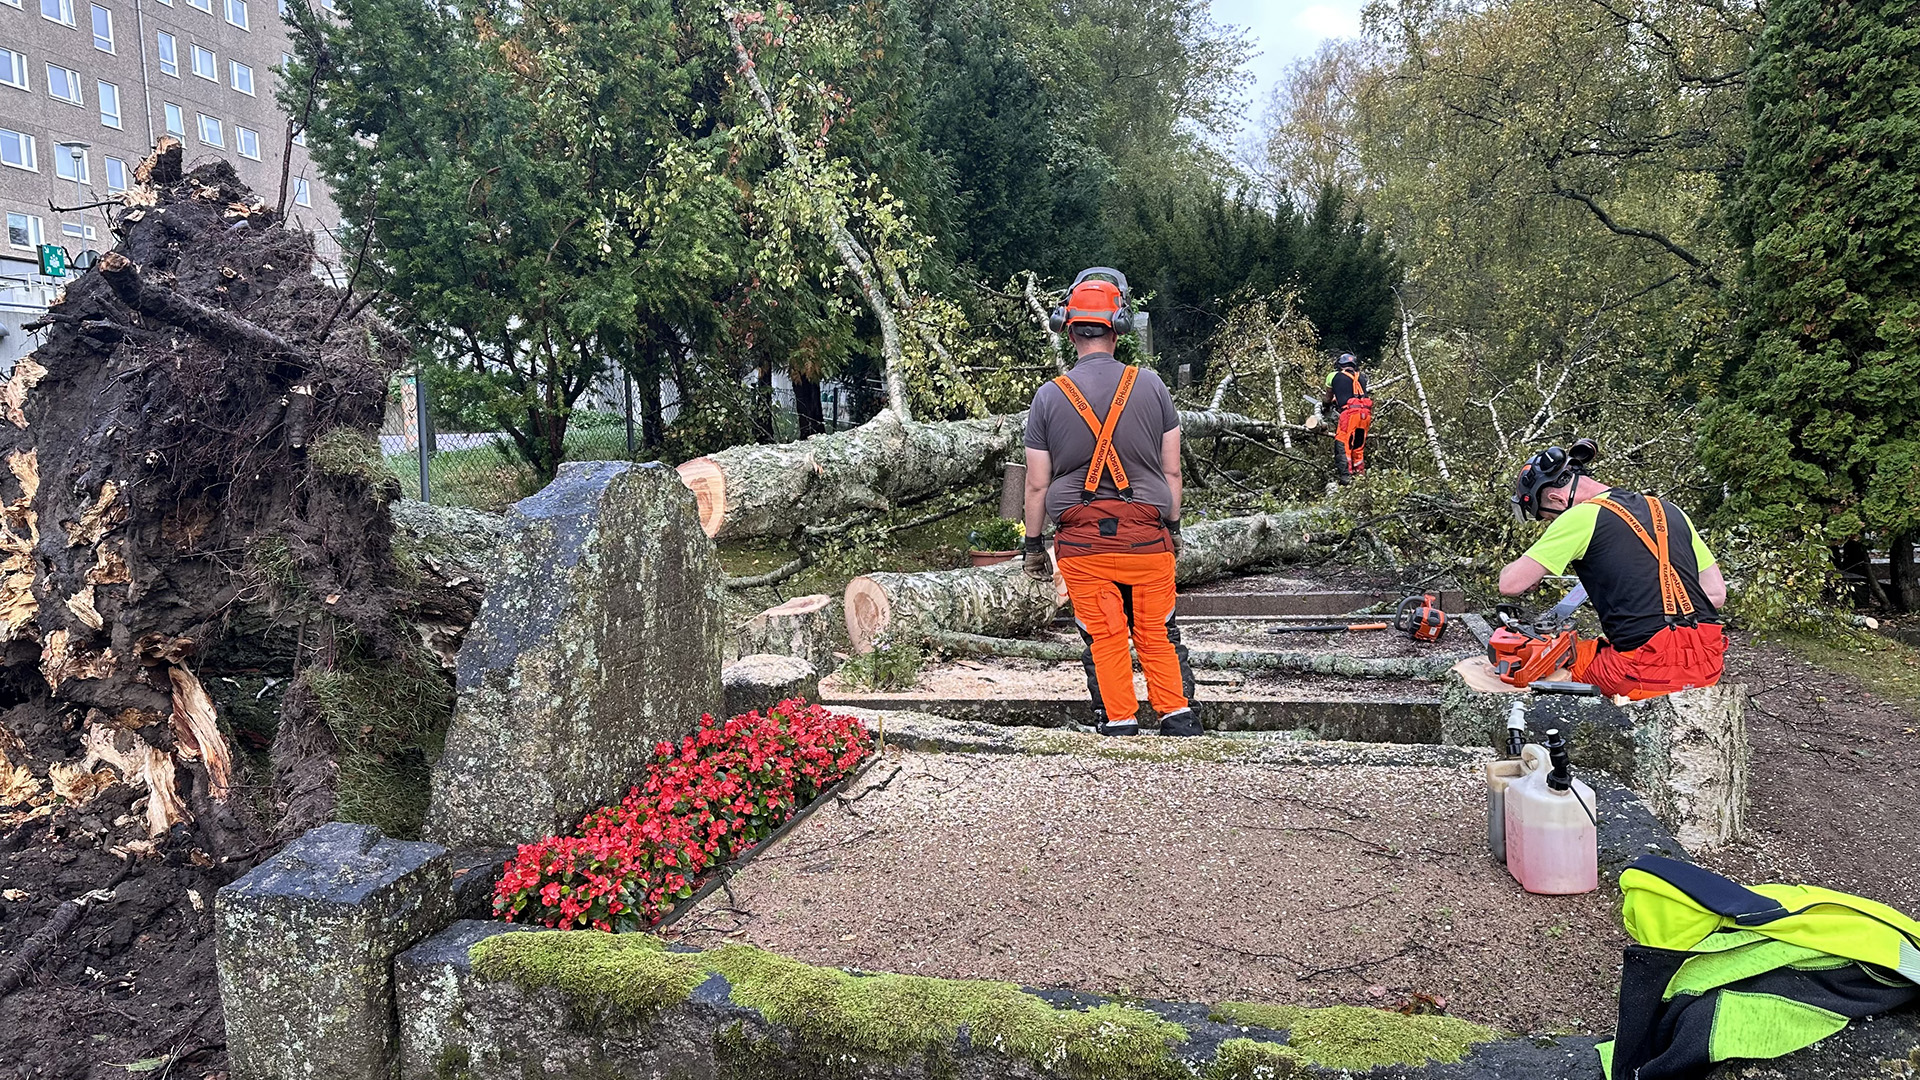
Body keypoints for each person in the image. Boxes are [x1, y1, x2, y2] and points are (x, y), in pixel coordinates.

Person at [1020, 268, 1200, 737]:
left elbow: (1036, 487)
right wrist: (1173, 530)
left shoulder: (1047, 398)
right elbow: (1172, 471)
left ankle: (1118, 720)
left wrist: (1033, 547)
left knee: (1104, 633)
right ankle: (1177, 715)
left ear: (1069, 327)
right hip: (1148, 538)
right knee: (1158, 630)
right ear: (1118, 326)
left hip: (1081, 544)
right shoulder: (1154, 386)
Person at [1498, 440, 1729, 699]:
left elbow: (1510, 584)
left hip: (1642, 672)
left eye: (1548, 516)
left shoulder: (1581, 516)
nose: (1551, 521)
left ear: (1556, 498)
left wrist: (1647, 630)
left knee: (1552, 667)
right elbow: (1716, 594)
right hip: (1708, 662)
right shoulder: (1669, 510)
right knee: (1590, 649)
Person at [1321, 353, 1372, 481]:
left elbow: (1328, 397)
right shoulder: (1362, 377)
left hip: (1349, 414)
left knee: (1343, 445)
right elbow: (1351, 393)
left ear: (1340, 365)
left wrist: (1326, 406)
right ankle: (1359, 477)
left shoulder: (1333, 376)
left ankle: (1346, 478)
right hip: (1365, 415)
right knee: (1358, 446)